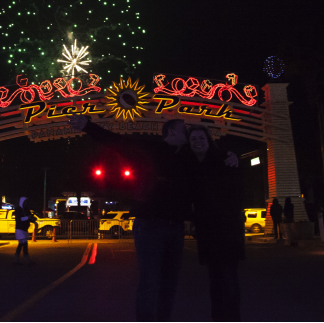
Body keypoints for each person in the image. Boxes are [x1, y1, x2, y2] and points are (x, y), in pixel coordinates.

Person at [69, 115, 238, 322]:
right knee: (150, 281)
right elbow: (117, 142)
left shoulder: (187, 157)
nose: (188, 133)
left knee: (170, 283)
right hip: (149, 226)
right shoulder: (150, 149)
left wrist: (231, 156)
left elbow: (210, 161)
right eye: (184, 129)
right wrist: (88, 125)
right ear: (173, 132)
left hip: (175, 229)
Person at [185, 125, 244, 322]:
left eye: (201, 138)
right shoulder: (191, 164)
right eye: (193, 139)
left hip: (227, 229)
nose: (197, 142)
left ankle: (232, 318)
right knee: (215, 280)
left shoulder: (224, 159)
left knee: (228, 278)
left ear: (208, 139)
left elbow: (236, 192)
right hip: (208, 231)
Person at [13, 196, 38, 264]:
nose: (26, 203)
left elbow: (29, 218)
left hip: (24, 229)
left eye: (27, 202)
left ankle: (16, 259)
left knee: (21, 244)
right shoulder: (18, 209)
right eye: (25, 202)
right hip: (20, 229)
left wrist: (33, 219)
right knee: (24, 244)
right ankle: (27, 260)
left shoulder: (27, 209)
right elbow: (19, 219)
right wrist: (28, 217)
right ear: (22, 202)